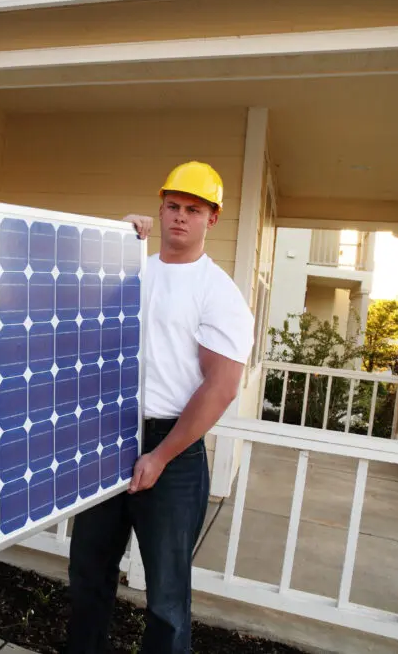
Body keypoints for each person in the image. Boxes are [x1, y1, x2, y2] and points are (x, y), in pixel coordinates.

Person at [65, 161, 255, 653]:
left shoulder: (218, 293)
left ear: (212, 219)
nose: (179, 217)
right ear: (161, 207)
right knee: (89, 572)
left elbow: (221, 387)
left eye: (193, 209)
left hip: (174, 452)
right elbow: (86, 329)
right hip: (112, 437)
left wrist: (161, 456)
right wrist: (116, 240)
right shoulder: (133, 270)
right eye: (172, 206)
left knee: (167, 596)